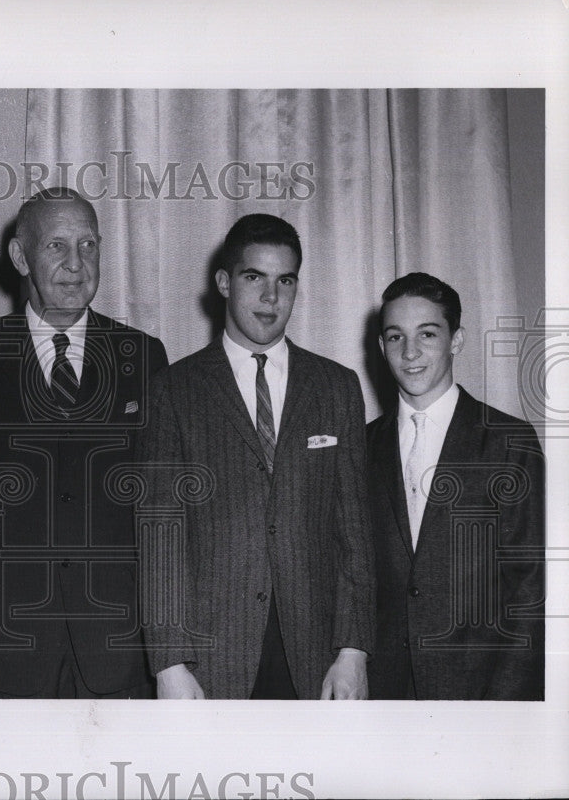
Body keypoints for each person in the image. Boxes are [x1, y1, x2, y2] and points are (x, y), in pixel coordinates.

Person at [141, 213, 375, 699]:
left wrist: (352, 652)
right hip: (211, 659)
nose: (271, 298)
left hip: (316, 660)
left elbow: (355, 531)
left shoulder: (337, 387)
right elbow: (161, 533)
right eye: (255, 278)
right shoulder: (174, 389)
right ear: (224, 283)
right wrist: (169, 664)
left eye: (284, 280)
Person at [0, 187, 168, 698]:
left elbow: (161, 512)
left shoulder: (145, 357)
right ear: (21, 256)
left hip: (118, 654)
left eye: (88, 245)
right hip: (9, 655)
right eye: (57, 246)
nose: (76, 263)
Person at [366, 273, 544, 700]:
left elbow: (532, 587)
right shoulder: (362, 445)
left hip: (481, 693)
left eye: (427, 334)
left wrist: (502, 706)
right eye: (395, 337)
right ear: (381, 346)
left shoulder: (508, 442)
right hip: (384, 696)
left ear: (457, 340)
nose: (410, 353)